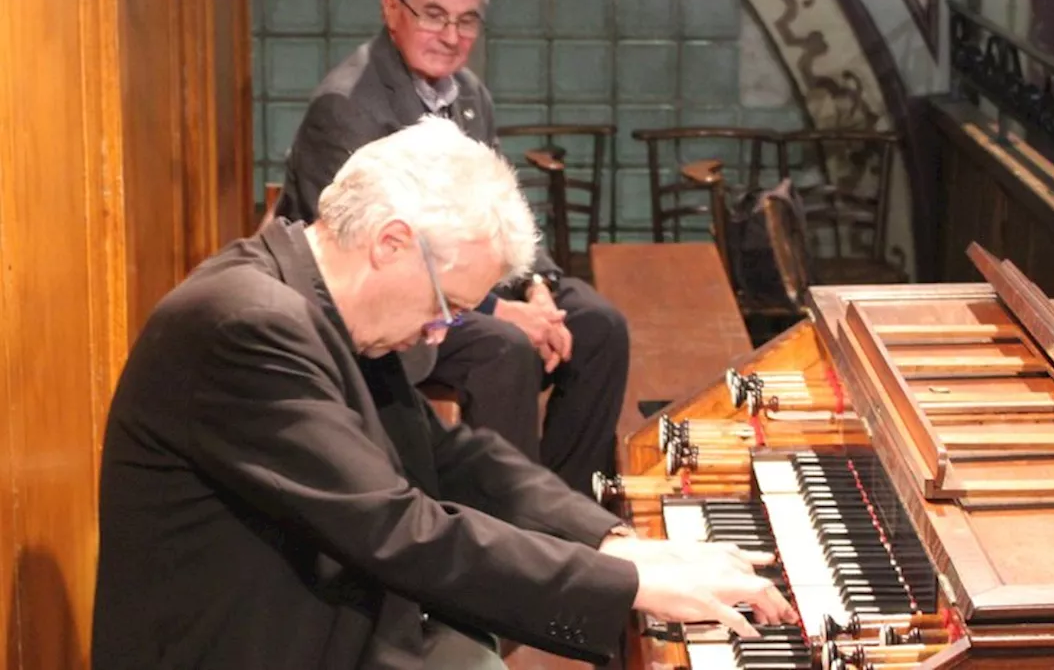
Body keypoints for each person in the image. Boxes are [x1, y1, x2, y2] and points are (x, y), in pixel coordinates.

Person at [91, 119, 795, 669]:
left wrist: (614, 539)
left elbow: (453, 454)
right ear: (392, 243)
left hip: (311, 618)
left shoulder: (319, 306)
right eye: (446, 303)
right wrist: (619, 583)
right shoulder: (246, 323)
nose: (443, 328)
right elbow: (398, 527)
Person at [274, 0, 624, 496]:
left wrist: (536, 288)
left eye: (466, 20)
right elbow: (360, 248)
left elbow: (499, 204)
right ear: (392, 9)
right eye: (433, 15)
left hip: (465, 275)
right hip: (388, 298)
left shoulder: (470, 95)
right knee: (503, 348)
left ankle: (568, 504)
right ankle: (504, 525)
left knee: (600, 325)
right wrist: (500, 309)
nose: (451, 35)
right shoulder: (346, 104)